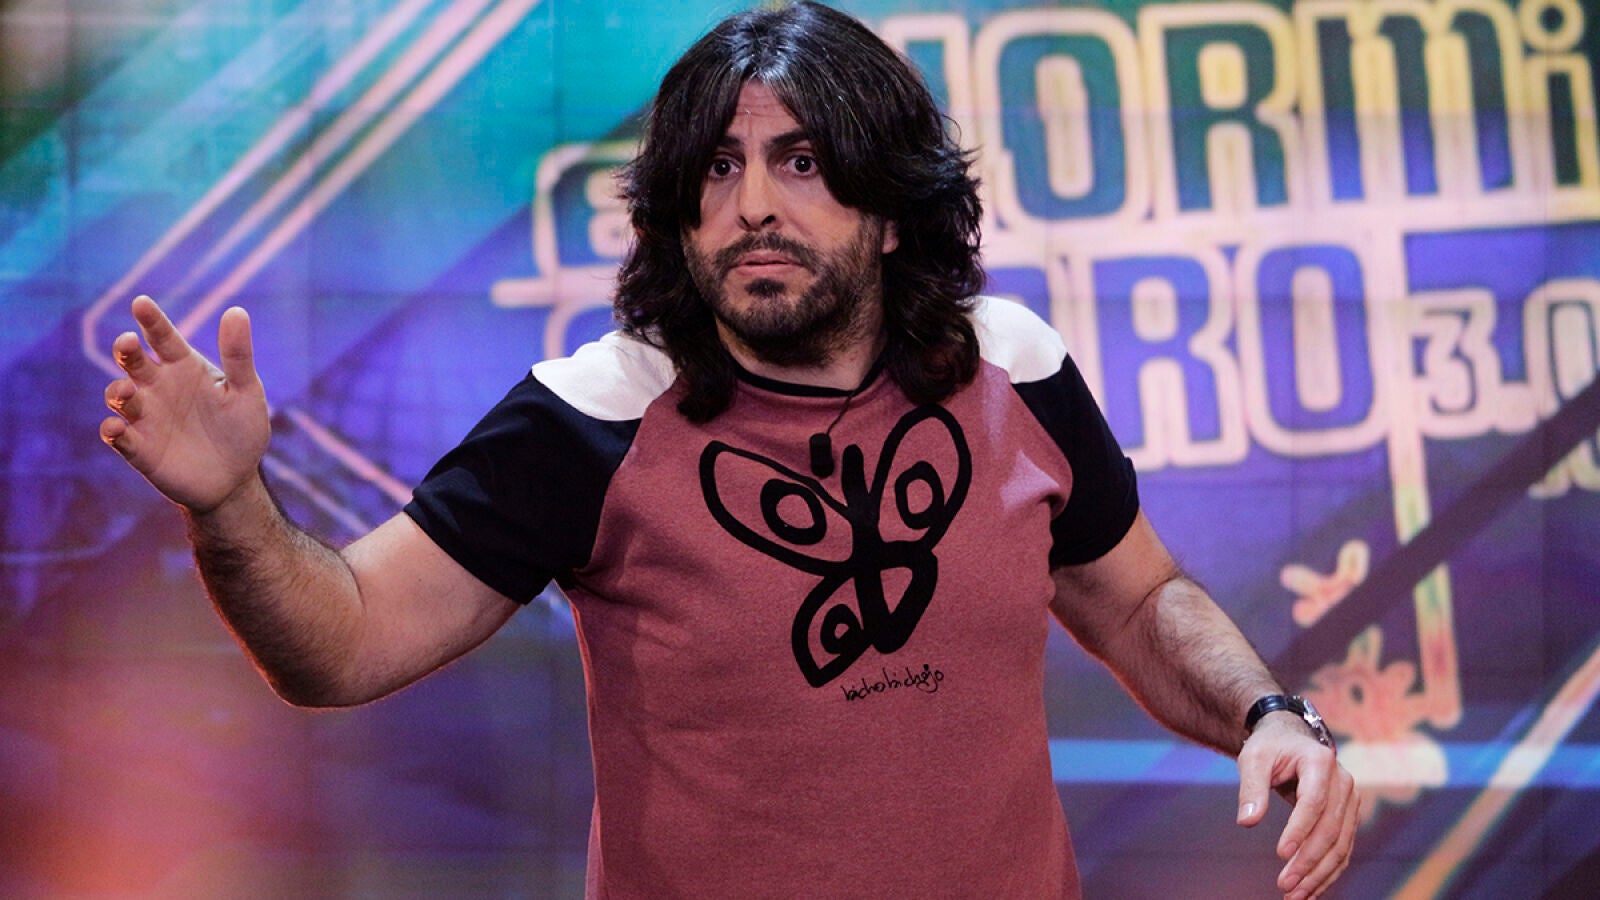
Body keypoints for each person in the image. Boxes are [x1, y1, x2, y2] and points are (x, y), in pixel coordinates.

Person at [99, 2, 1356, 897]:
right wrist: (229, 506)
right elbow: (340, 645)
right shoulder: (590, 415)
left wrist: (1267, 713)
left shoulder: (1010, 364)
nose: (752, 204)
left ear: (890, 210)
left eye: (801, 163)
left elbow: (1136, 599)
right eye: (716, 169)